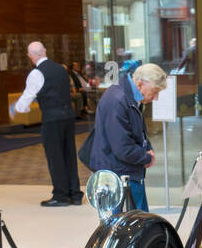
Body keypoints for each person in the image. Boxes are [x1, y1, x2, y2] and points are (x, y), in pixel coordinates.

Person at [90, 62, 167, 212]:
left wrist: (148, 149)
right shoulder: (118, 100)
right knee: (127, 227)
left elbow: (137, 133)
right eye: (155, 91)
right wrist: (146, 157)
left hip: (127, 172)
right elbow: (122, 148)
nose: (156, 98)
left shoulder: (129, 98)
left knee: (139, 223)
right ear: (140, 84)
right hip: (118, 176)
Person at [11, 42, 81, 207]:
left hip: (52, 119)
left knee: (55, 157)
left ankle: (61, 195)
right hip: (68, 117)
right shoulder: (61, 69)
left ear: (31, 56)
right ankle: (75, 194)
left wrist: (17, 107)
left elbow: (26, 99)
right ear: (45, 51)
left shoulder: (36, 73)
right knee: (69, 154)